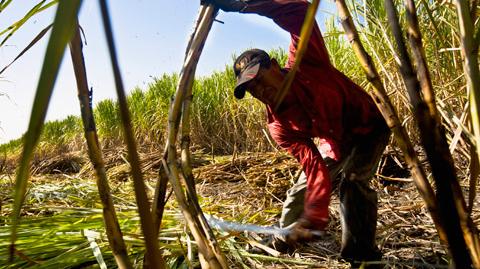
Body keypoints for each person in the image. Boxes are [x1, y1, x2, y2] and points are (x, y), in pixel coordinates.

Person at [204, 0, 391, 263]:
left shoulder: (307, 61)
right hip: (334, 141)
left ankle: (362, 259)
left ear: (275, 65)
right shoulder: (278, 125)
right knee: (299, 192)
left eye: (258, 78)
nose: (258, 90)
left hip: (369, 127)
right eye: (250, 88)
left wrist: (243, 5)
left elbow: (301, 12)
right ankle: (284, 240)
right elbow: (314, 167)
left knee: (352, 182)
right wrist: (313, 215)